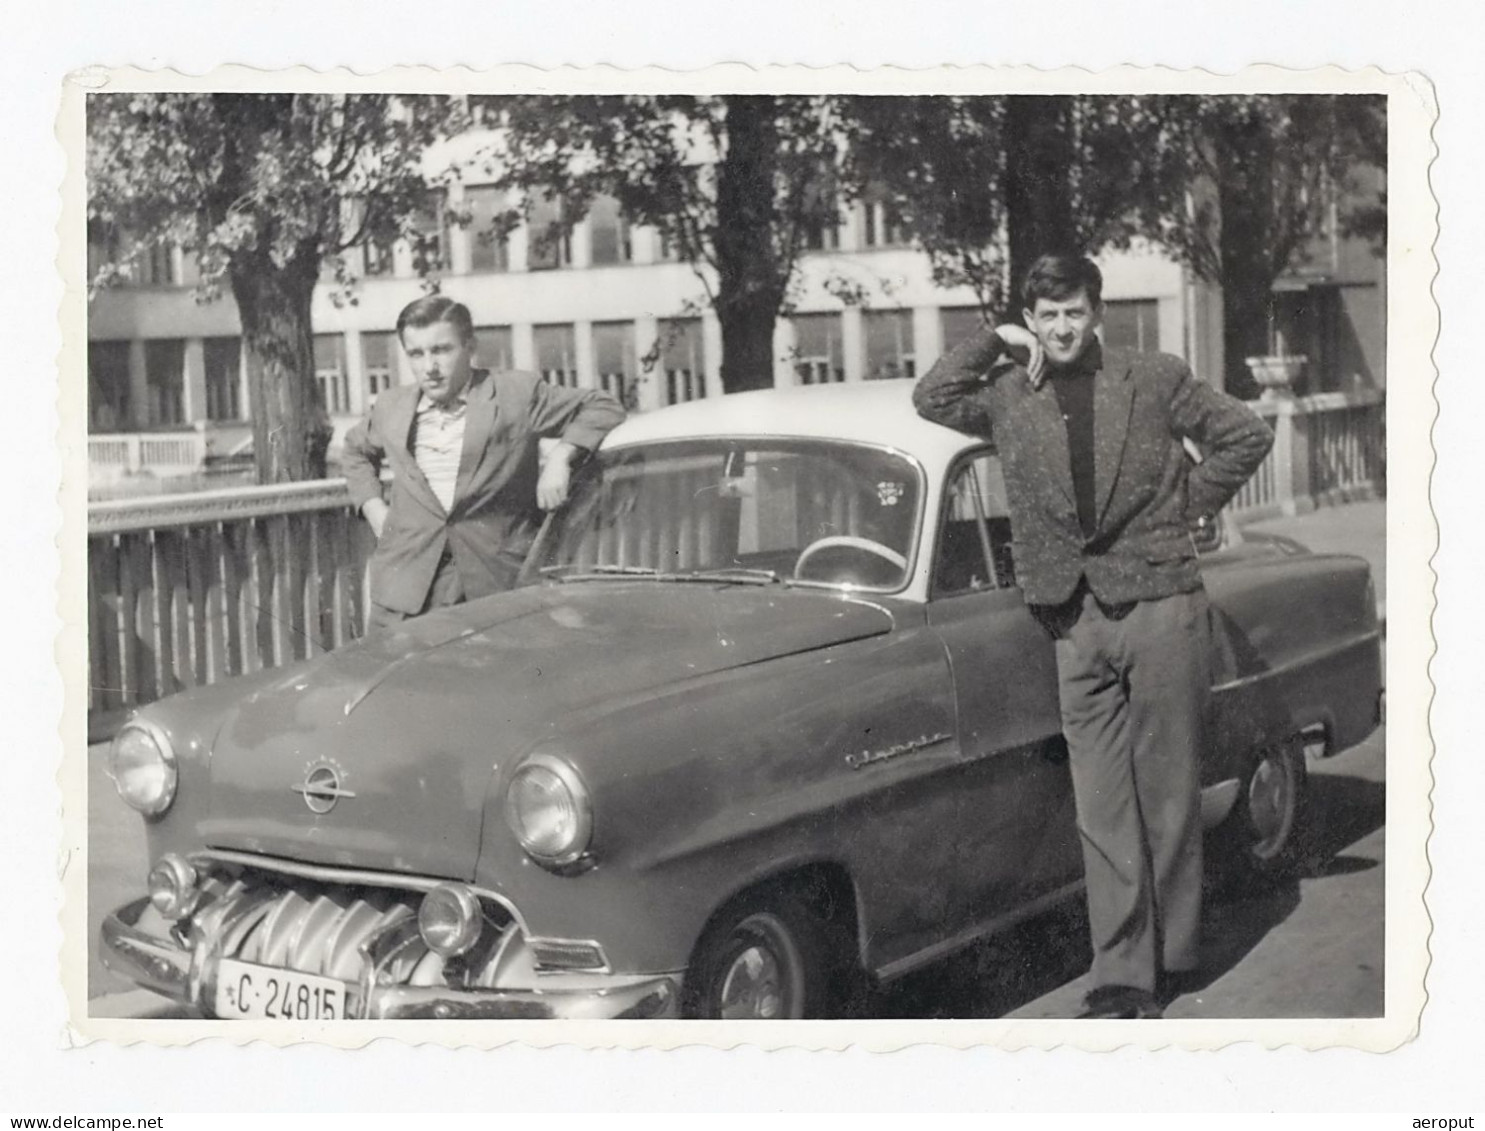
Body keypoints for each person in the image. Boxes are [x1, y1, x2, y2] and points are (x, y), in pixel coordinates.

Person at [913, 254, 1274, 1019]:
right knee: (1100, 803)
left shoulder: (1153, 376)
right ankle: (1120, 971)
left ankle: (1173, 956)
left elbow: (1243, 434)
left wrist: (1187, 503)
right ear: (1031, 317)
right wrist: (996, 337)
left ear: (1096, 310)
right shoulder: (1010, 392)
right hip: (1071, 620)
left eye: (1072, 311)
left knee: (1168, 793)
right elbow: (931, 394)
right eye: (1045, 314)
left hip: (1159, 606)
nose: (1061, 327)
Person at [343, 295, 625, 631]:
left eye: (442, 350)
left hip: (495, 582)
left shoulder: (515, 394)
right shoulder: (392, 406)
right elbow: (355, 450)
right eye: (416, 354)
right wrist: (375, 511)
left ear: (469, 346)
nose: (429, 367)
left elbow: (603, 406)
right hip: (406, 588)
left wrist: (562, 457)